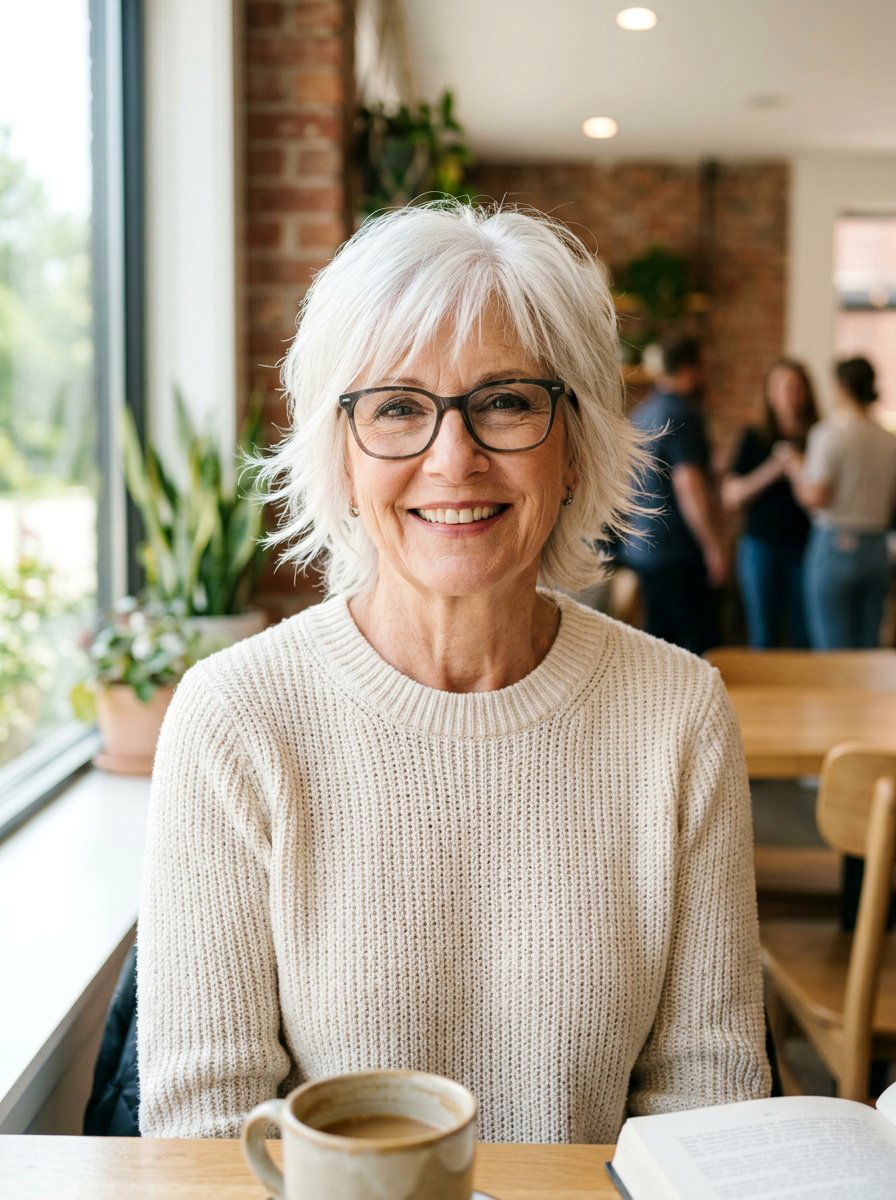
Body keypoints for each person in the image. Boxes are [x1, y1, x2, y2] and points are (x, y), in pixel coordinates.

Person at [137, 202, 770, 1144]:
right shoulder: (235, 717)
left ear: (576, 441)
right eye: (397, 407)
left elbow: (707, 1105)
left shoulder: (679, 712)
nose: (454, 459)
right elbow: (207, 1131)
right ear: (341, 454)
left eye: (507, 401)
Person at [617, 338, 726, 655]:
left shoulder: (643, 412)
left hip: (642, 548)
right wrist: (712, 545)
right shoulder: (682, 412)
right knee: (696, 650)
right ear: (689, 370)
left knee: (659, 648)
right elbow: (687, 483)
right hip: (677, 550)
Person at [792, 356, 896, 649]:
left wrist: (796, 473)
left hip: (835, 545)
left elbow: (816, 497)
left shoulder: (829, 434)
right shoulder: (889, 440)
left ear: (843, 386)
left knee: (832, 652)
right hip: (877, 547)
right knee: (868, 649)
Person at [721, 359, 818, 648]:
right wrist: (773, 469)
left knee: (803, 633)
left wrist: (799, 467)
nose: (788, 394)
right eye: (781, 387)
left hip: (806, 547)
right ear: (769, 393)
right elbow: (731, 496)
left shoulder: (819, 437)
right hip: (760, 546)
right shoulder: (754, 437)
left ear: (806, 393)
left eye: (795, 387)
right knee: (763, 632)